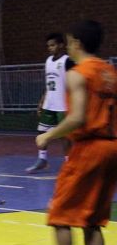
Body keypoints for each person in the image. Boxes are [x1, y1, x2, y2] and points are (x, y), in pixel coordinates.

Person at [28, 20, 117, 245]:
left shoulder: (78, 74)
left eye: (68, 42)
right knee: (92, 221)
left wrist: (48, 135)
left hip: (89, 148)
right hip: (111, 147)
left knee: (59, 214)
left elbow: (78, 117)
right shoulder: (110, 72)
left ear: (76, 42)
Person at [26, 33, 75, 173]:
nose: (50, 48)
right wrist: (42, 101)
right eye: (48, 46)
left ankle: (69, 163)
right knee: (41, 132)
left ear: (61, 45)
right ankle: (42, 159)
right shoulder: (48, 61)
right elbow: (48, 84)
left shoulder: (67, 61)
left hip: (63, 106)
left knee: (64, 136)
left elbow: (75, 82)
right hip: (49, 104)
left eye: (52, 45)